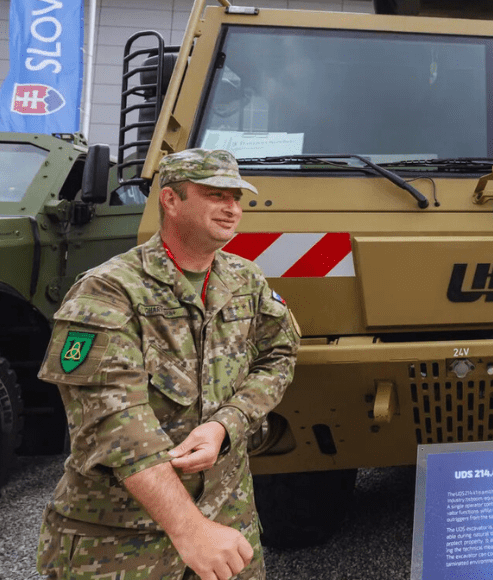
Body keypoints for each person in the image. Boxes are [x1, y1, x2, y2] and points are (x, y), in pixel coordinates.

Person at [36, 149, 300, 580]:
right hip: (122, 542)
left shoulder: (244, 279)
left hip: (229, 527)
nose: (232, 208)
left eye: (237, 197)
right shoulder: (108, 290)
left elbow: (279, 355)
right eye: (215, 194)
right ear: (171, 201)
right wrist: (190, 528)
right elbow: (113, 423)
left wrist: (228, 423)